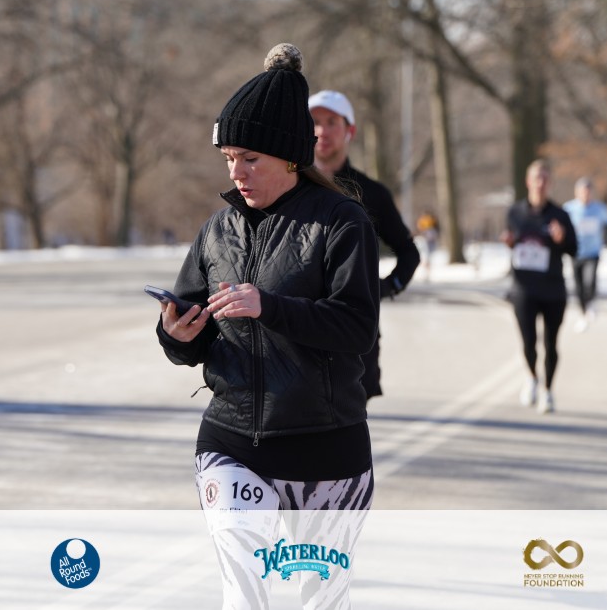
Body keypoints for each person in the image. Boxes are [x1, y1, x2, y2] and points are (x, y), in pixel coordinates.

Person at [156, 44, 379, 609]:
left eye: (250, 158)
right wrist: (177, 337)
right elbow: (192, 324)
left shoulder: (342, 223)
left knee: (319, 600)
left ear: (289, 158)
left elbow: (357, 328)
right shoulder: (217, 232)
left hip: (326, 449)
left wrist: (269, 306)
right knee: (245, 594)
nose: (237, 171)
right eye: (229, 157)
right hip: (232, 444)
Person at [308, 89, 420, 400]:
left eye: (332, 122)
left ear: (350, 131)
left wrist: (385, 287)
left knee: (348, 425)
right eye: (315, 122)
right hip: (297, 334)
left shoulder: (372, 193)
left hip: (354, 340)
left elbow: (409, 253)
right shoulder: (288, 187)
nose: (322, 131)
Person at [501, 160, 578, 414]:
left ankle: (548, 390)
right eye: (536, 178)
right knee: (528, 341)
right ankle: (532, 377)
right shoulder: (515, 212)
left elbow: (574, 249)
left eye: (545, 178)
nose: (541, 183)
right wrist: (509, 242)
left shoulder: (560, 215)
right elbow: (511, 240)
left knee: (551, 344)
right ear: (528, 181)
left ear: (550, 183)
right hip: (523, 288)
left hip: (552, 289)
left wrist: (561, 238)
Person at [563, 177, 607, 331]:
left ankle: (591, 304)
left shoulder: (600, 209)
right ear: (576, 192)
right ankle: (583, 312)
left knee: (589, 281)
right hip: (575, 252)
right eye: (582, 191)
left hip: (593, 252)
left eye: (588, 191)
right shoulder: (569, 209)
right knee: (578, 286)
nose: (585, 194)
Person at [415, 210, 440, 279]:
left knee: (428, 255)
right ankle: (426, 268)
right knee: (427, 255)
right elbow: (420, 227)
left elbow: (436, 227)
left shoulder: (430, 220)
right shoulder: (425, 220)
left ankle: (427, 267)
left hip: (429, 240)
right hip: (426, 239)